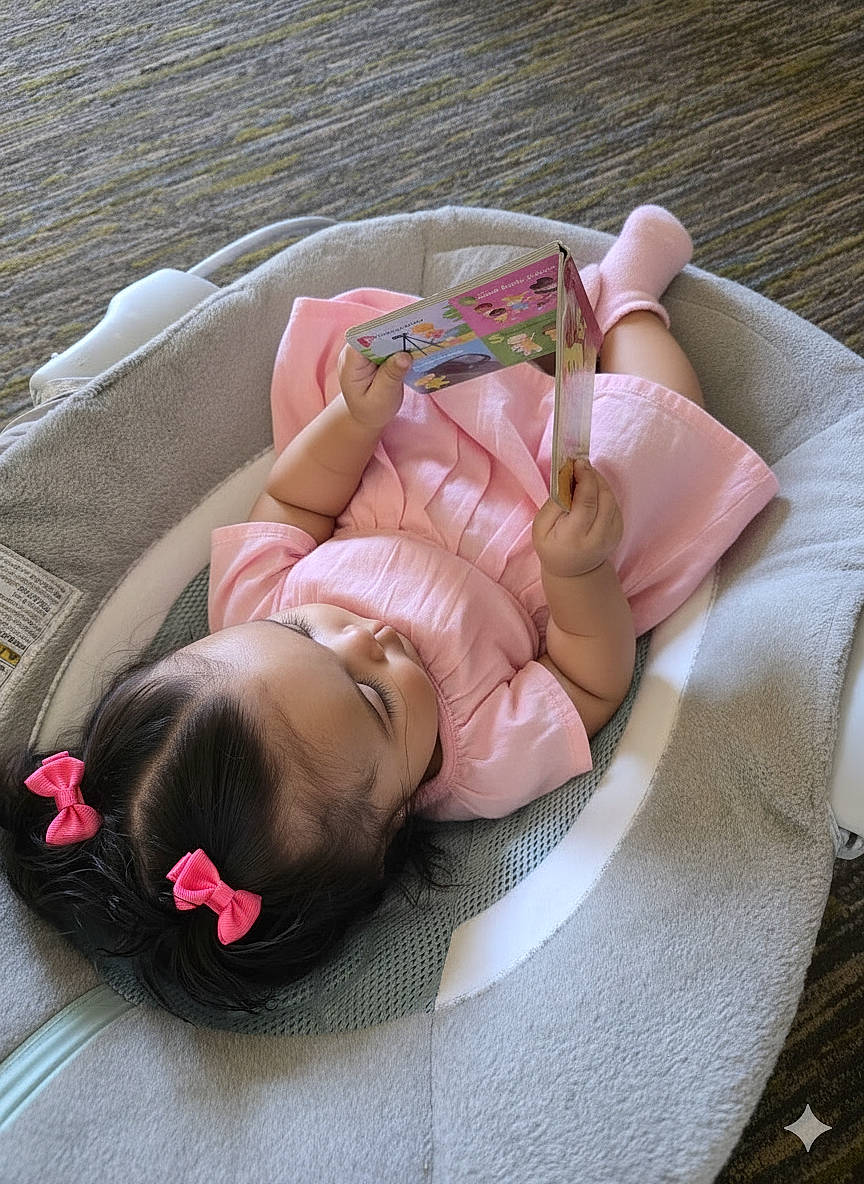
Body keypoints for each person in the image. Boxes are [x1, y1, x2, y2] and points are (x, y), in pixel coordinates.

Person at [0, 206, 779, 1014]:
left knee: (380, 370)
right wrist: (577, 569)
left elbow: (297, 500)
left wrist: (354, 420)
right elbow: (589, 680)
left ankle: (556, 324)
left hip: (428, 463)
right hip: (551, 532)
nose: (368, 636)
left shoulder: (245, 604)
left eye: (303, 629)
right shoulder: (482, 762)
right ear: (389, 827)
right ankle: (632, 300)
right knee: (653, 430)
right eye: (374, 697)